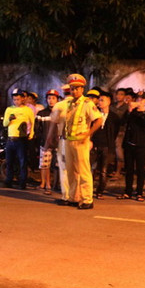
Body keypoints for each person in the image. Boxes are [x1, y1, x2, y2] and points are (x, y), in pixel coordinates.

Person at [62, 74, 102, 209]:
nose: (74, 91)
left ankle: (87, 200)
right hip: (69, 141)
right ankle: (73, 198)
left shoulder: (87, 103)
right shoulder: (69, 103)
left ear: (82, 89)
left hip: (81, 142)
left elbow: (99, 120)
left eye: (77, 88)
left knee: (83, 171)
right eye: (72, 88)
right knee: (71, 171)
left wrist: (88, 134)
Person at [119, 91, 145, 201]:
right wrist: (129, 110)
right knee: (129, 169)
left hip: (141, 146)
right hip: (129, 144)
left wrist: (141, 111)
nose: (139, 101)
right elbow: (122, 122)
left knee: (140, 170)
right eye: (137, 99)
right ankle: (127, 192)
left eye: (141, 99)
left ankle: (139, 193)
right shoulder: (130, 113)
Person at [2, 90, 34, 189]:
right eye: (14, 99)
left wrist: (31, 133)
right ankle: (8, 180)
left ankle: (22, 182)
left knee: (22, 161)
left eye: (18, 99)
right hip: (10, 139)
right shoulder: (9, 109)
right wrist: (9, 119)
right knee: (9, 161)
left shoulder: (27, 110)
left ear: (23, 99)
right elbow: (4, 124)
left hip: (21, 139)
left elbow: (32, 122)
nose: (16, 101)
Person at [90, 91, 118, 198]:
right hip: (94, 144)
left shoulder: (114, 117)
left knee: (103, 170)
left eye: (102, 100)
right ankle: (88, 189)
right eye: (99, 100)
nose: (100, 102)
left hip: (107, 145)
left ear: (109, 102)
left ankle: (100, 191)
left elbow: (115, 132)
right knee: (90, 168)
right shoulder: (94, 114)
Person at [37, 90, 59, 194]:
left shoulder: (60, 113)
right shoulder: (41, 114)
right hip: (45, 143)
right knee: (45, 165)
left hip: (58, 143)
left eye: (53, 98)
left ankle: (56, 185)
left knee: (58, 165)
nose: (51, 100)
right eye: (49, 98)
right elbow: (38, 129)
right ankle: (47, 185)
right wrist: (41, 139)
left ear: (57, 100)